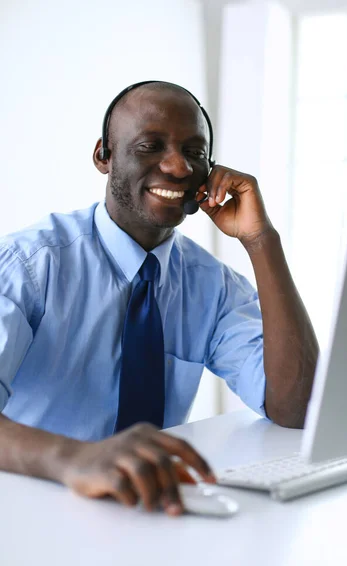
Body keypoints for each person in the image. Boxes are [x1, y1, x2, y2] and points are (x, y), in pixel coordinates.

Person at [0, 81, 318, 516]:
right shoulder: (30, 265)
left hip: (150, 513)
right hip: (33, 508)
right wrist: (78, 458)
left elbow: (297, 407)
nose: (178, 166)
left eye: (195, 151)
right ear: (103, 156)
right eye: (151, 146)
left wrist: (261, 241)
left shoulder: (212, 285)